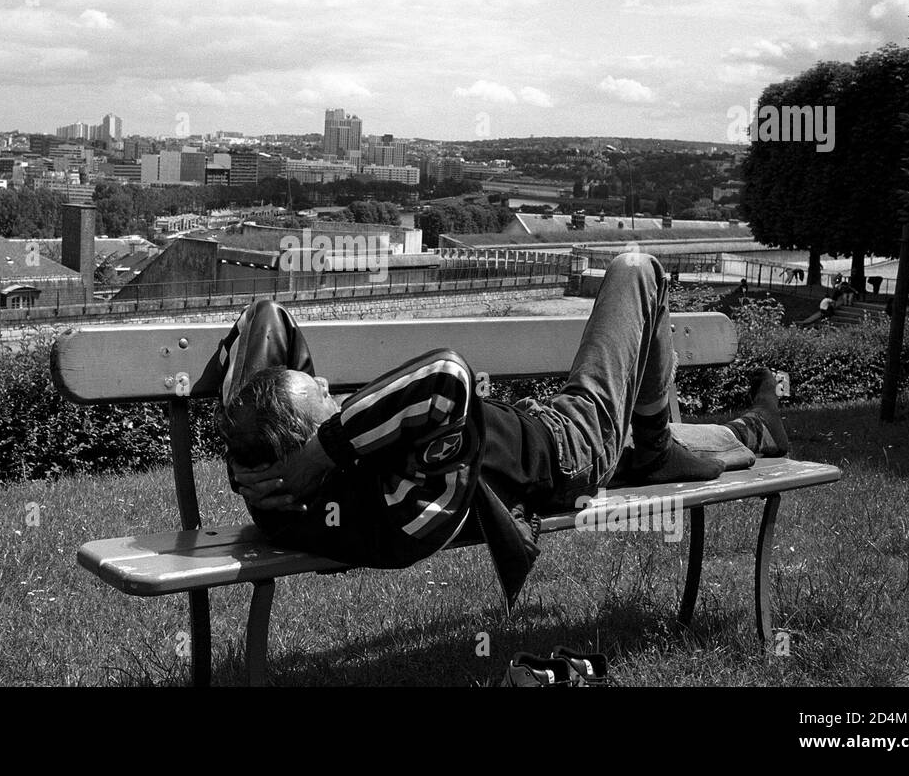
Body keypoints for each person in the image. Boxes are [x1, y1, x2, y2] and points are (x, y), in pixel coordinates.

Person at [209, 253, 791, 608]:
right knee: (636, 272)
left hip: (542, 429)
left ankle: (752, 430)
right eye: (324, 400)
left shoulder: (284, 496)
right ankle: (662, 443)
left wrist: (248, 471)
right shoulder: (397, 502)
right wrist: (327, 444)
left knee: (670, 444)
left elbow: (265, 317)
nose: (334, 390)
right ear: (312, 443)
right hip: (572, 449)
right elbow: (446, 376)